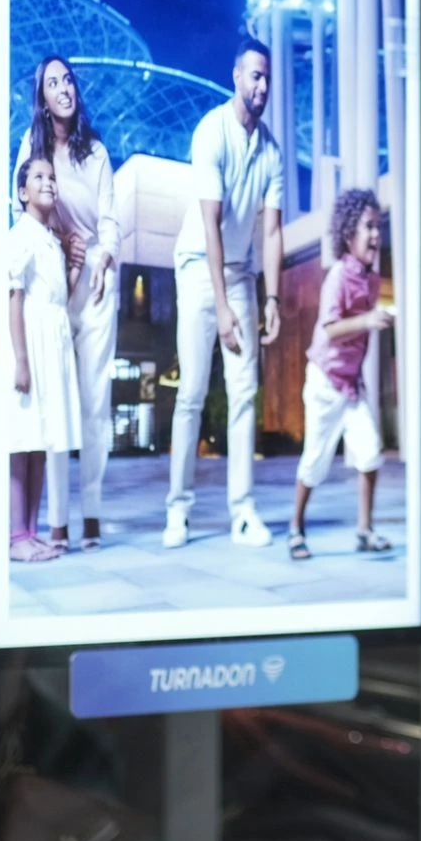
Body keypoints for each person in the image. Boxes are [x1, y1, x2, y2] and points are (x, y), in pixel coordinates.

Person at [166, 36, 284, 549]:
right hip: (198, 266)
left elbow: (273, 231)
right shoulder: (209, 132)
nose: (261, 86)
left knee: (244, 394)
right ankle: (178, 511)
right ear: (235, 76)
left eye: (267, 78)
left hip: (240, 272)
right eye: (254, 75)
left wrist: (273, 298)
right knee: (191, 392)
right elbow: (211, 225)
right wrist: (222, 307)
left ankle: (243, 512)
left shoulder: (272, 151)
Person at [13, 55, 119, 550]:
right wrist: (61, 237)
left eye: (68, 79)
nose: (64, 87)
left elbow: (110, 218)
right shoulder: (29, 150)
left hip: (95, 278)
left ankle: (92, 511)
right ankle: (55, 521)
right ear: (42, 97)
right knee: (54, 397)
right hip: (51, 278)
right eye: (53, 82)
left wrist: (103, 257)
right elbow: (20, 206)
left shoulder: (95, 151)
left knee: (96, 401)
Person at [287, 188, 394, 561]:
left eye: (378, 226)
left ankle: (364, 530)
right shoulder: (337, 276)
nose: (376, 234)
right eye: (369, 226)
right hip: (324, 383)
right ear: (349, 233)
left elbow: (359, 340)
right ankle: (295, 529)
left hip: (351, 386)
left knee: (370, 455)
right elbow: (330, 327)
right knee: (314, 462)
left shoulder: (370, 278)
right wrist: (366, 319)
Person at [3, 157, 83, 564]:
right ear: (22, 192)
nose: (48, 182)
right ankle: (17, 534)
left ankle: (31, 533)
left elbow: (58, 300)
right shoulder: (21, 236)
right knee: (22, 443)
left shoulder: (49, 238)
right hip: (30, 346)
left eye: (52, 177)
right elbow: (13, 297)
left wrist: (74, 269)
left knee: (40, 442)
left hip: (51, 345)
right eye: (39, 177)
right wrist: (20, 358)